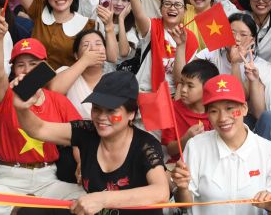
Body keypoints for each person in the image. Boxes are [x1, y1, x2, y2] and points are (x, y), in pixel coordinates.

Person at [15, 71, 170, 215]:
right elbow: (39, 129)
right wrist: (22, 108)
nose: (101, 117)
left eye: (111, 111)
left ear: (131, 114)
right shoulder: (87, 131)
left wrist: (102, 199)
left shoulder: (145, 145)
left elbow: (161, 192)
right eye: (96, 108)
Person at [0, 18, 84, 215]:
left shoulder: (58, 100)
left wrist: (81, 163)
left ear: (44, 67)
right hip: (10, 179)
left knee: (85, 199)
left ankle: (28, 210)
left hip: (47, 178)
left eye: (33, 64)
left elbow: (79, 138)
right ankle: (23, 210)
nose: (26, 70)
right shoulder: (7, 97)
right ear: (13, 70)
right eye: (20, 65)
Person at [171, 74, 271, 215]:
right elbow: (185, 204)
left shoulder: (269, 151)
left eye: (229, 108)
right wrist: (183, 188)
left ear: (244, 109)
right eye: (214, 111)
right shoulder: (196, 146)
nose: (223, 118)